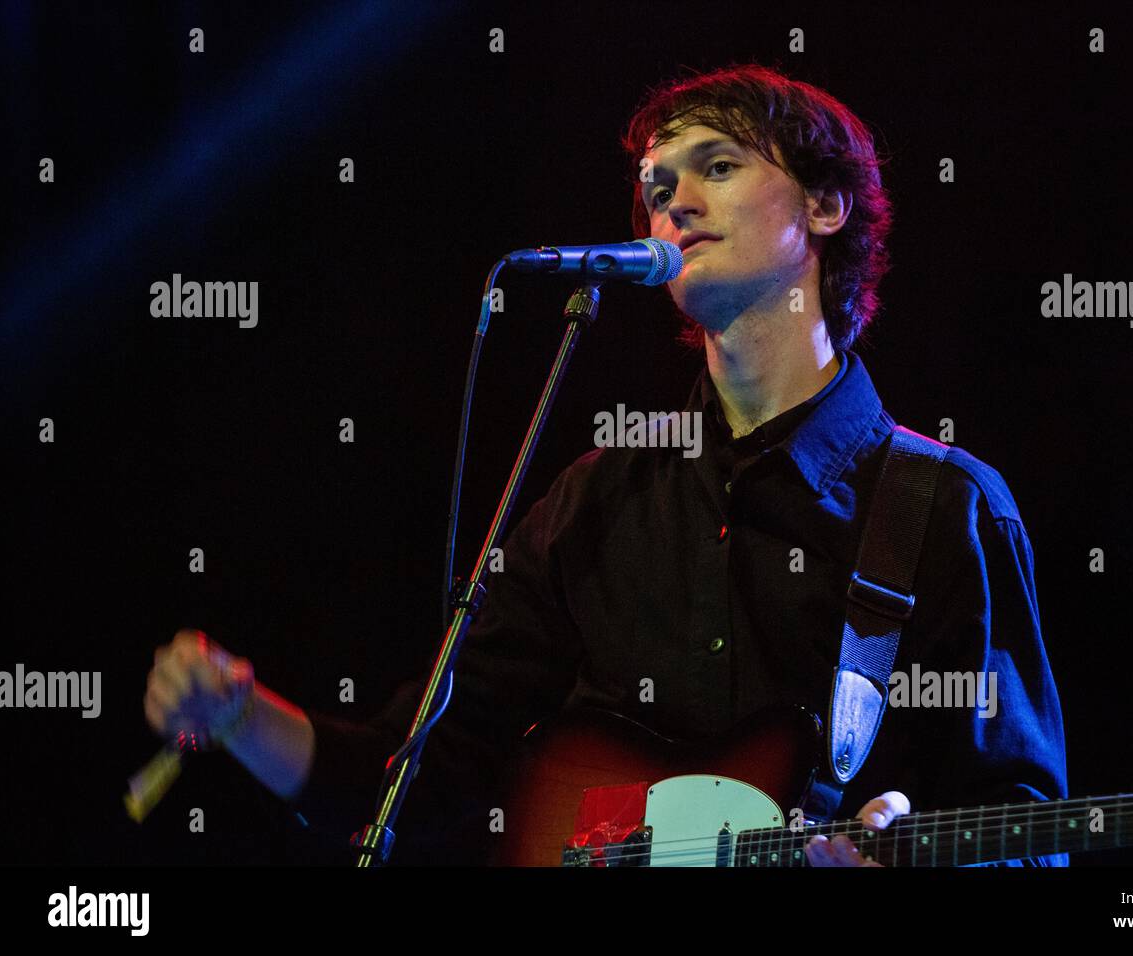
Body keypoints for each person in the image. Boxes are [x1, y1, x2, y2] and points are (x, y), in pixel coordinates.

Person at [143, 63, 1067, 867]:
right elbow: (412, 778)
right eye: (658, 187)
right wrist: (239, 718)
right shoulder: (595, 499)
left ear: (825, 206)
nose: (675, 202)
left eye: (717, 166)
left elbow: (1032, 836)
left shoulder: (944, 507)